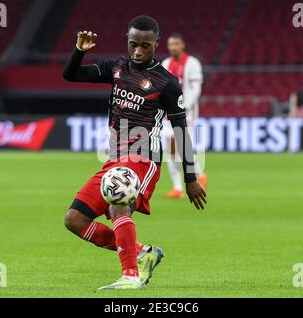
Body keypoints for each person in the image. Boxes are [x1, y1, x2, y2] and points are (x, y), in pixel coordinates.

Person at [62, 15, 206, 290]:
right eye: (133, 44)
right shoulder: (116, 67)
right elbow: (71, 74)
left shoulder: (167, 83)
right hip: (115, 157)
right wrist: (79, 50)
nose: (138, 51)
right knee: (74, 220)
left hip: (144, 157)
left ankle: (130, 276)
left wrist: (190, 178)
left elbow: (180, 131)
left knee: (118, 200)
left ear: (156, 44)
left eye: (145, 45)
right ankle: (141, 252)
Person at [161, 33, 207, 199]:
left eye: (176, 44)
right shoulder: (165, 63)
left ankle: (193, 178)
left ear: (182, 45)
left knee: (181, 146)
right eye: (171, 44)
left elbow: (196, 89)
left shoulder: (192, 63)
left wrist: (185, 105)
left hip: (186, 113)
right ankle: (182, 184)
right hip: (168, 114)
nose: (173, 47)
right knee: (171, 149)